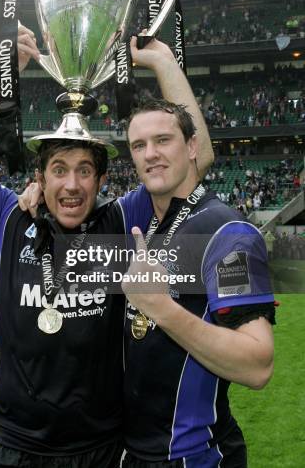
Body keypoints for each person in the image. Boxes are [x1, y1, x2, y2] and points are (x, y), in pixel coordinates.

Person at [0, 26, 213, 468]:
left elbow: (196, 157)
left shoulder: (119, 223)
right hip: (9, 446)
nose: (71, 185)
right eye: (58, 169)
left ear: (100, 180)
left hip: (100, 450)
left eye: (83, 171)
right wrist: (5, 71)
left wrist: (163, 62)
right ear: (40, 178)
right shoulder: (7, 218)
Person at [118, 98, 275, 467]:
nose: (150, 154)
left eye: (163, 140)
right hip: (131, 453)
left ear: (192, 147)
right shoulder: (148, 224)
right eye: (139, 146)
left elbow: (258, 364)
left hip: (194, 457)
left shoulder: (227, 231)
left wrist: (161, 308)